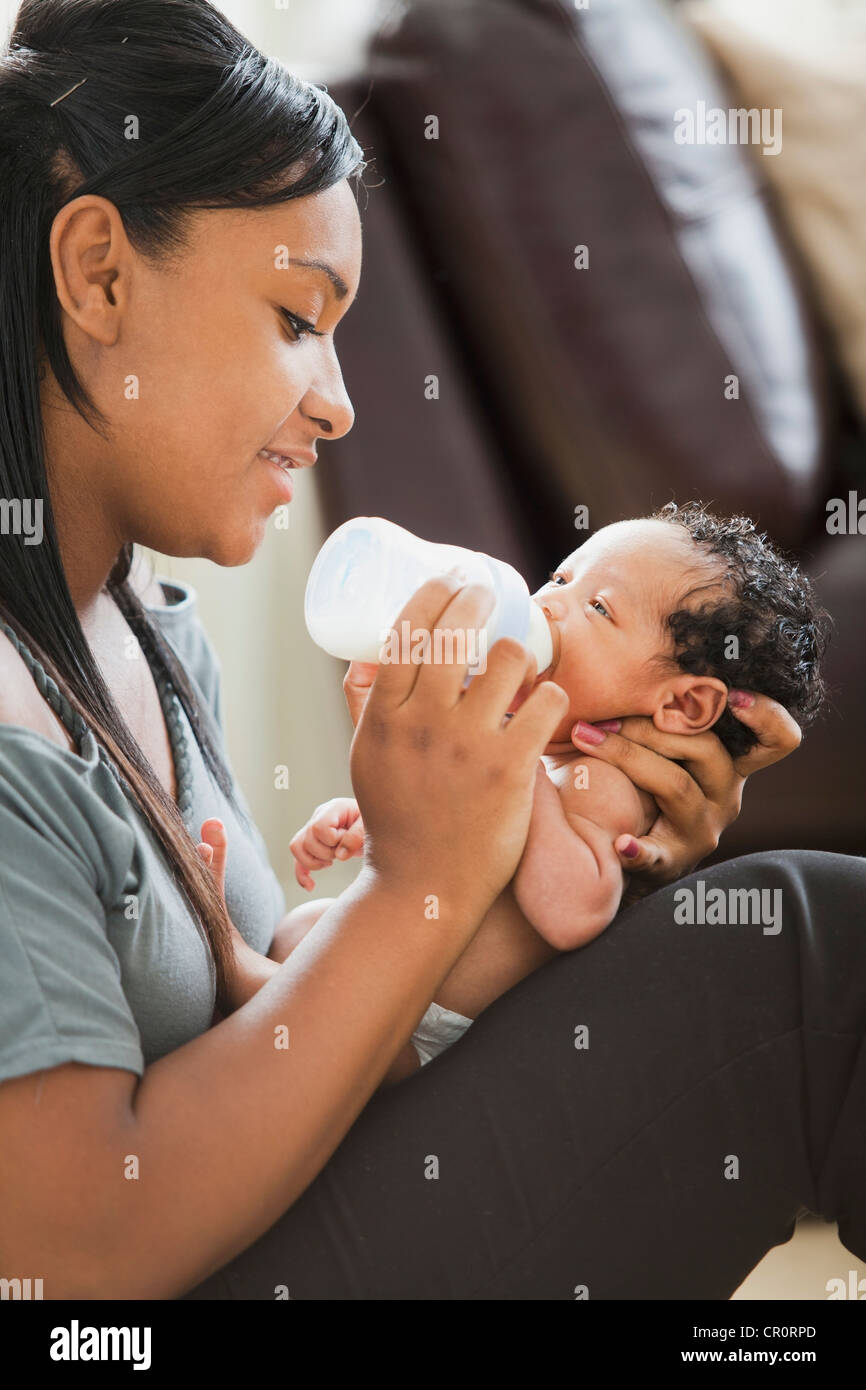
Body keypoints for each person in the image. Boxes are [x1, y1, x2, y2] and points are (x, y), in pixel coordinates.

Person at [0, 0, 862, 1302]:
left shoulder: (141, 640)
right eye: (298, 317)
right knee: (811, 952)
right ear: (100, 274)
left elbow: (273, 1026)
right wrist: (425, 878)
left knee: (795, 936)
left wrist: (602, 852)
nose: (339, 400)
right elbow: (69, 1262)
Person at [280, 504, 831, 1079]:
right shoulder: (553, 763)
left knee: (298, 969)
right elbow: (453, 839)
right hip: (396, 982)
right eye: (561, 578)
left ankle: (234, 968)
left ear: (681, 705)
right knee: (303, 928)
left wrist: (522, 771)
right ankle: (240, 975)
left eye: (597, 608)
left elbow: (573, 912)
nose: (546, 603)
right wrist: (363, 820)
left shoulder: (606, 785)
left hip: (425, 1034)